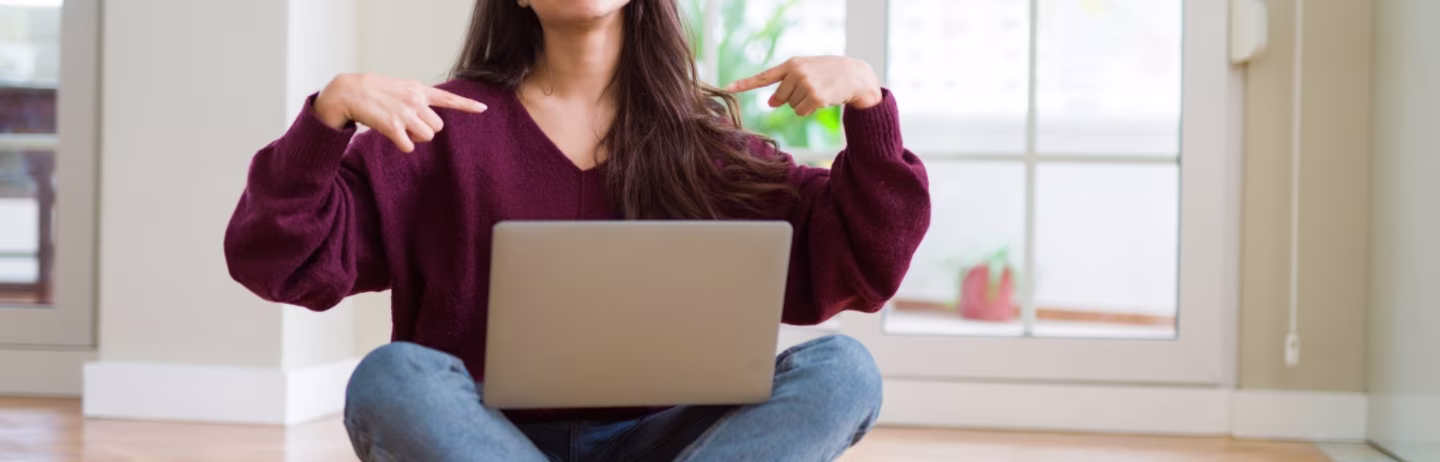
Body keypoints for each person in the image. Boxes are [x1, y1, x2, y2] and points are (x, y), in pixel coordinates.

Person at [224, 0, 929, 459]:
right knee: (390, 376)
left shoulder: (704, 143)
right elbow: (278, 258)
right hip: (488, 439)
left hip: (671, 440)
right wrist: (327, 119)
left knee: (844, 369)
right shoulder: (436, 127)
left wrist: (869, 105)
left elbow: (864, 263)